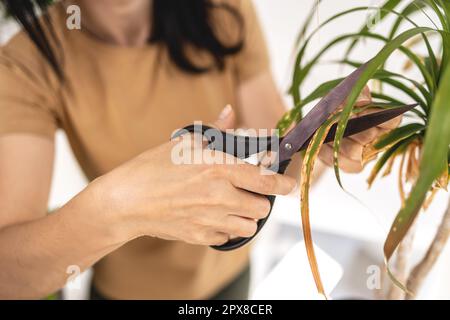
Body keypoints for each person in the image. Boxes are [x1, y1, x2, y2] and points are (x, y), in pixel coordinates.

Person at [0, 0, 399, 299]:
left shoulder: (223, 9)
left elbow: (281, 168)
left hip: (232, 283)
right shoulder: (23, 65)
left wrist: (319, 148)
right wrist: (118, 206)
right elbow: (8, 277)